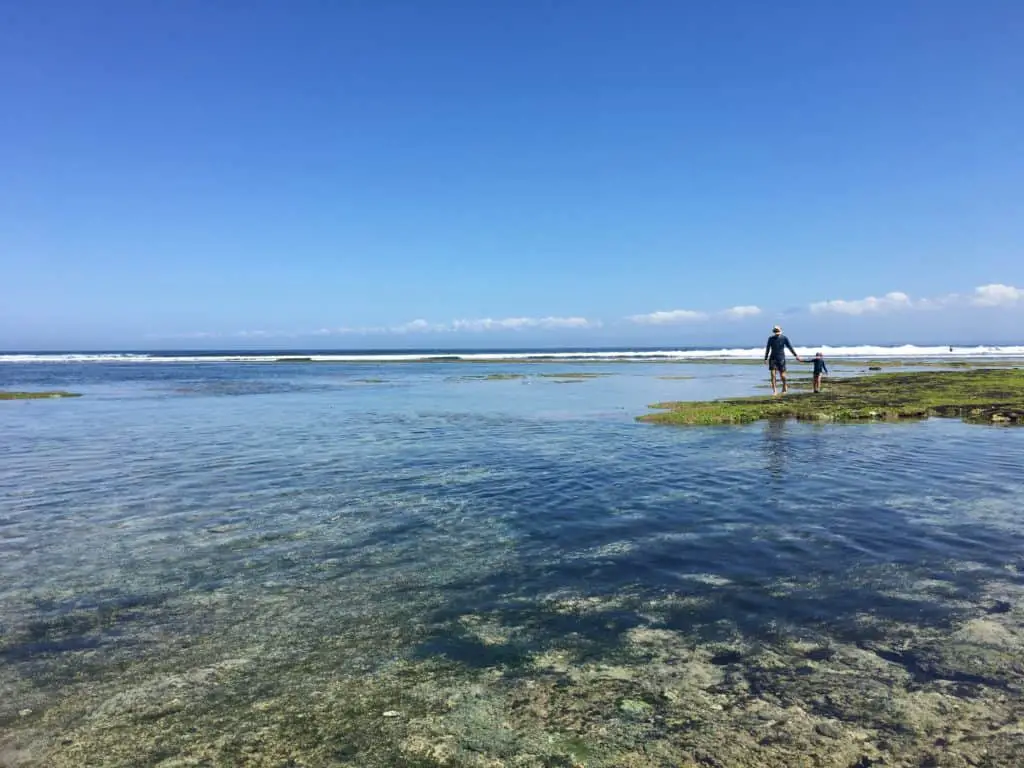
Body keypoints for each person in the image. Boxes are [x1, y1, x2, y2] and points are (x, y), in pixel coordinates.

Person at [764, 325, 802, 395]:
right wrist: (765, 358)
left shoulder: (784, 338)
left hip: (781, 358)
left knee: (782, 375)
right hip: (772, 358)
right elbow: (768, 348)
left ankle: (785, 385)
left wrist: (796, 355)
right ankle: (775, 391)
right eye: (775, 331)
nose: (776, 332)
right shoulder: (771, 338)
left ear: (780, 331)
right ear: (774, 331)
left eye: (778, 330)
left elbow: (790, 347)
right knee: (773, 375)